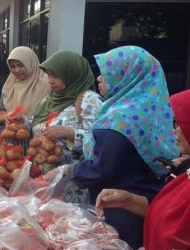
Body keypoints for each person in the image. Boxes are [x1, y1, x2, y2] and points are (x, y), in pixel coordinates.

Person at [53, 46, 179, 248]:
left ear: (127, 76)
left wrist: (69, 170)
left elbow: (102, 168)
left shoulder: (121, 119)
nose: (99, 79)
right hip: (144, 204)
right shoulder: (149, 109)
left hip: (119, 209)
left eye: (107, 74)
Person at [94, 89, 190, 249]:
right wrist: (128, 200)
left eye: (180, 124)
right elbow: (166, 214)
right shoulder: (185, 171)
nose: (175, 130)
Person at [11, 50, 103, 204]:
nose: (50, 80)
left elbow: (100, 141)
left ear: (71, 74)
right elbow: (41, 124)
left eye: (55, 76)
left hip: (72, 184)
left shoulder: (90, 101)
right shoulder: (51, 98)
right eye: (48, 75)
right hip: (45, 180)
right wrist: (25, 121)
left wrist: (70, 133)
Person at [0, 46, 51, 118]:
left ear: (31, 63)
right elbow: (2, 110)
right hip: (10, 127)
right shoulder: (10, 82)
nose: (16, 70)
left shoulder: (47, 83)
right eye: (12, 67)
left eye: (20, 65)